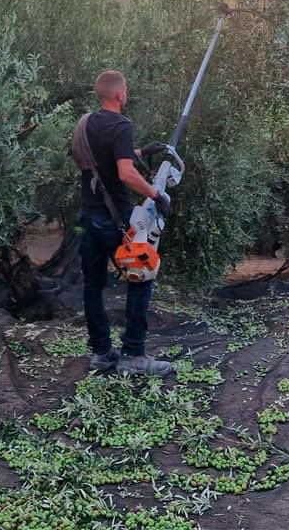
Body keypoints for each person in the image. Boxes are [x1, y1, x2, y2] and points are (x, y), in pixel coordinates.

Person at [73, 70, 173, 376]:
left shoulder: (85, 123)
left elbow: (98, 160)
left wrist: (141, 151)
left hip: (88, 218)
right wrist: (157, 195)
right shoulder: (121, 124)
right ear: (119, 94)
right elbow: (125, 174)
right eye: (125, 90)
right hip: (114, 219)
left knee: (93, 287)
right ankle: (133, 355)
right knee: (142, 277)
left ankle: (102, 353)